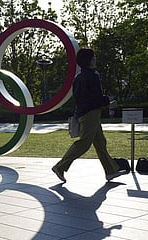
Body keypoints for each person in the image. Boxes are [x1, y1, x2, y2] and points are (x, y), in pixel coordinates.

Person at [52, 47, 127, 183]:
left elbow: (80, 98)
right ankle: (60, 167)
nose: (95, 59)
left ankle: (111, 171)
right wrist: (109, 102)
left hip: (84, 113)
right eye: (93, 57)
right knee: (85, 143)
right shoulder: (93, 75)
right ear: (89, 60)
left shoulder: (79, 78)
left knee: (100, 142)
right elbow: (96, 98)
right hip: (91, 114)